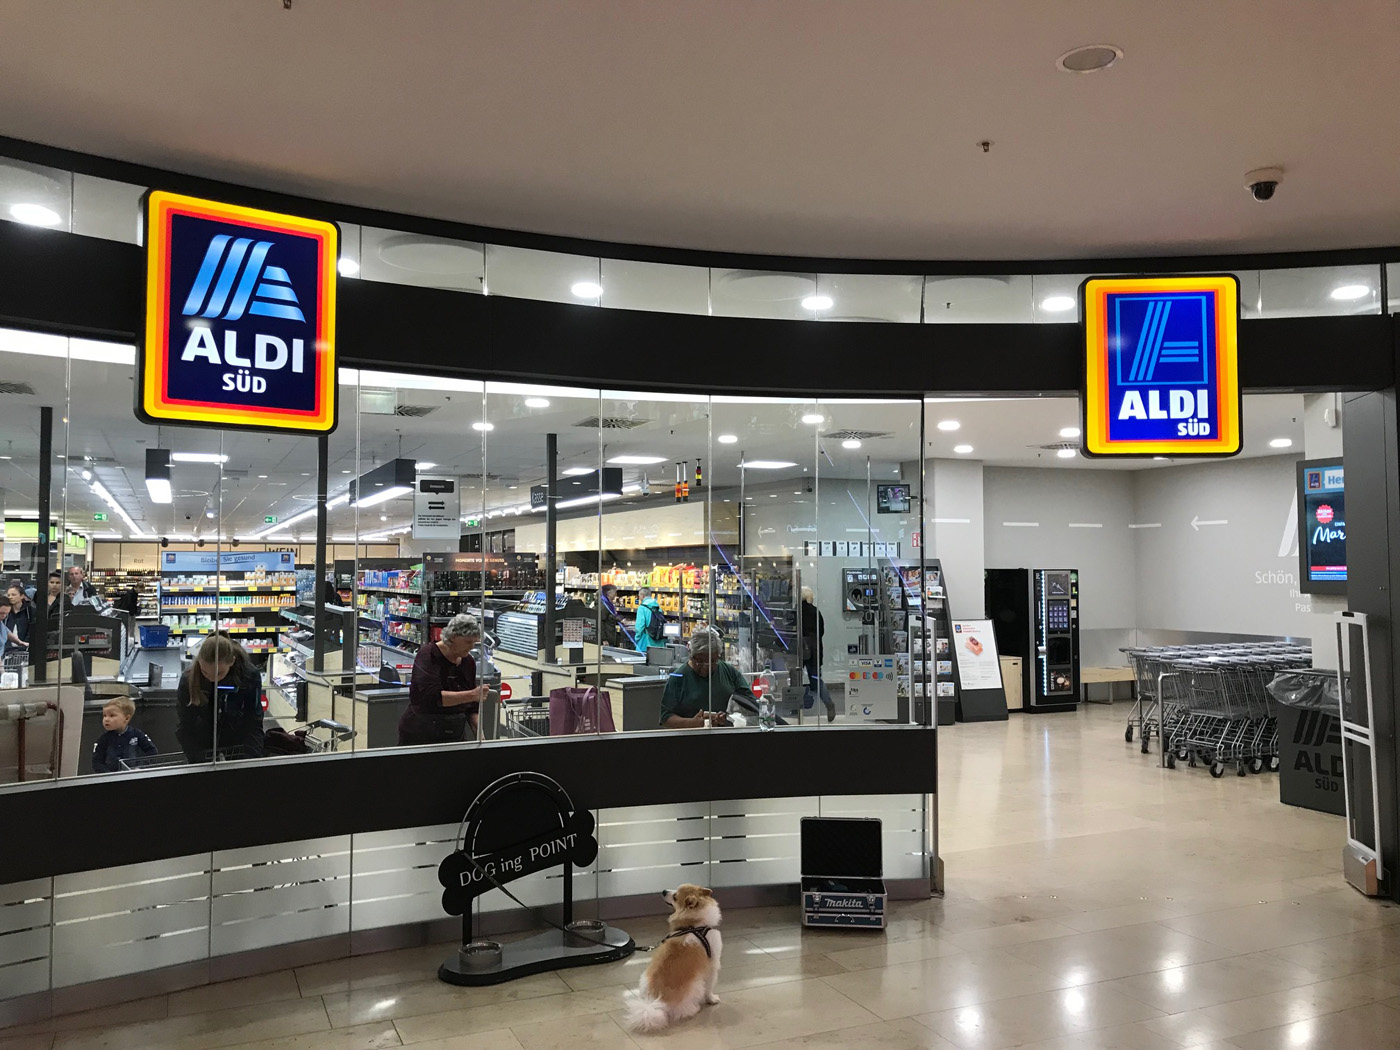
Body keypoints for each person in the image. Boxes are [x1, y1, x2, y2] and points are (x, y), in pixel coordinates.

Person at [399, 613, 487, 745]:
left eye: (474, 642)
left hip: (454, 732)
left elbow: (472, 707)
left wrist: (480, 736)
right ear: (453, 637)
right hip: (421, 733)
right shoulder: (428, 655)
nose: (471, 647)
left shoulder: (468, 662)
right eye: (468, 642)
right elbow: (431, 698)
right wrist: (471, 695)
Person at [176, 633, 265, 762]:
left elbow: (253, 721)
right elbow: (185, 725)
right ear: (199, 661)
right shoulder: (188, 679)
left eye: (219, 673)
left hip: (239, 743)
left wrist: (250, 760)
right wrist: (197, 759)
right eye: (205, 672)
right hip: (202, 743)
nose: (212, 678)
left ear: (232, 661)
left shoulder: (249, 676)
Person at [659, 628, 755, 729]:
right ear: (691, 656)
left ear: (718, 656)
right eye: (700, 661)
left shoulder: (729, 672)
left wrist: (729, 718)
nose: (706, 666)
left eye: (712, 661)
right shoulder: (678, 678)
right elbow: (665, 718)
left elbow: (750, 704)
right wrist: (692, 723)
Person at [91, 696, 158, 773]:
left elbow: (152, 751)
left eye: (112, 715)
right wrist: (108, 774)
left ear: (126, 718)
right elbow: (97, 762)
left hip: (132, 775)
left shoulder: (136, 734)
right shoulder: (104, 739)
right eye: (104, 716)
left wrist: (140, 767)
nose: (106, 719)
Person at [800, 586, 836, 722]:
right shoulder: (816, 611)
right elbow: (821, 631)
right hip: (815, 650)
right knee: (816, 679)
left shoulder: (797, 612)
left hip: (800, 649)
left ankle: (795, 707)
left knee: (795, 678)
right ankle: (829, 704)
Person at [634, 586, 665, 655]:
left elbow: (640, 626)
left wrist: (636, 638)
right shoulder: (658, 607)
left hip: (645, 644)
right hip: (659, 644)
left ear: (642, 596)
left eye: (639, 596)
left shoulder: (642, 608)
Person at [598, 583, 625, 647]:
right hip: (606, 640)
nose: (616, 594)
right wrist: (603, 639)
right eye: (615, 592)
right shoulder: (604, 606)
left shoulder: (609, 604)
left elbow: (610, 618)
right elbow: (600, 622)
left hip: (610, 637)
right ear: (609, 593)